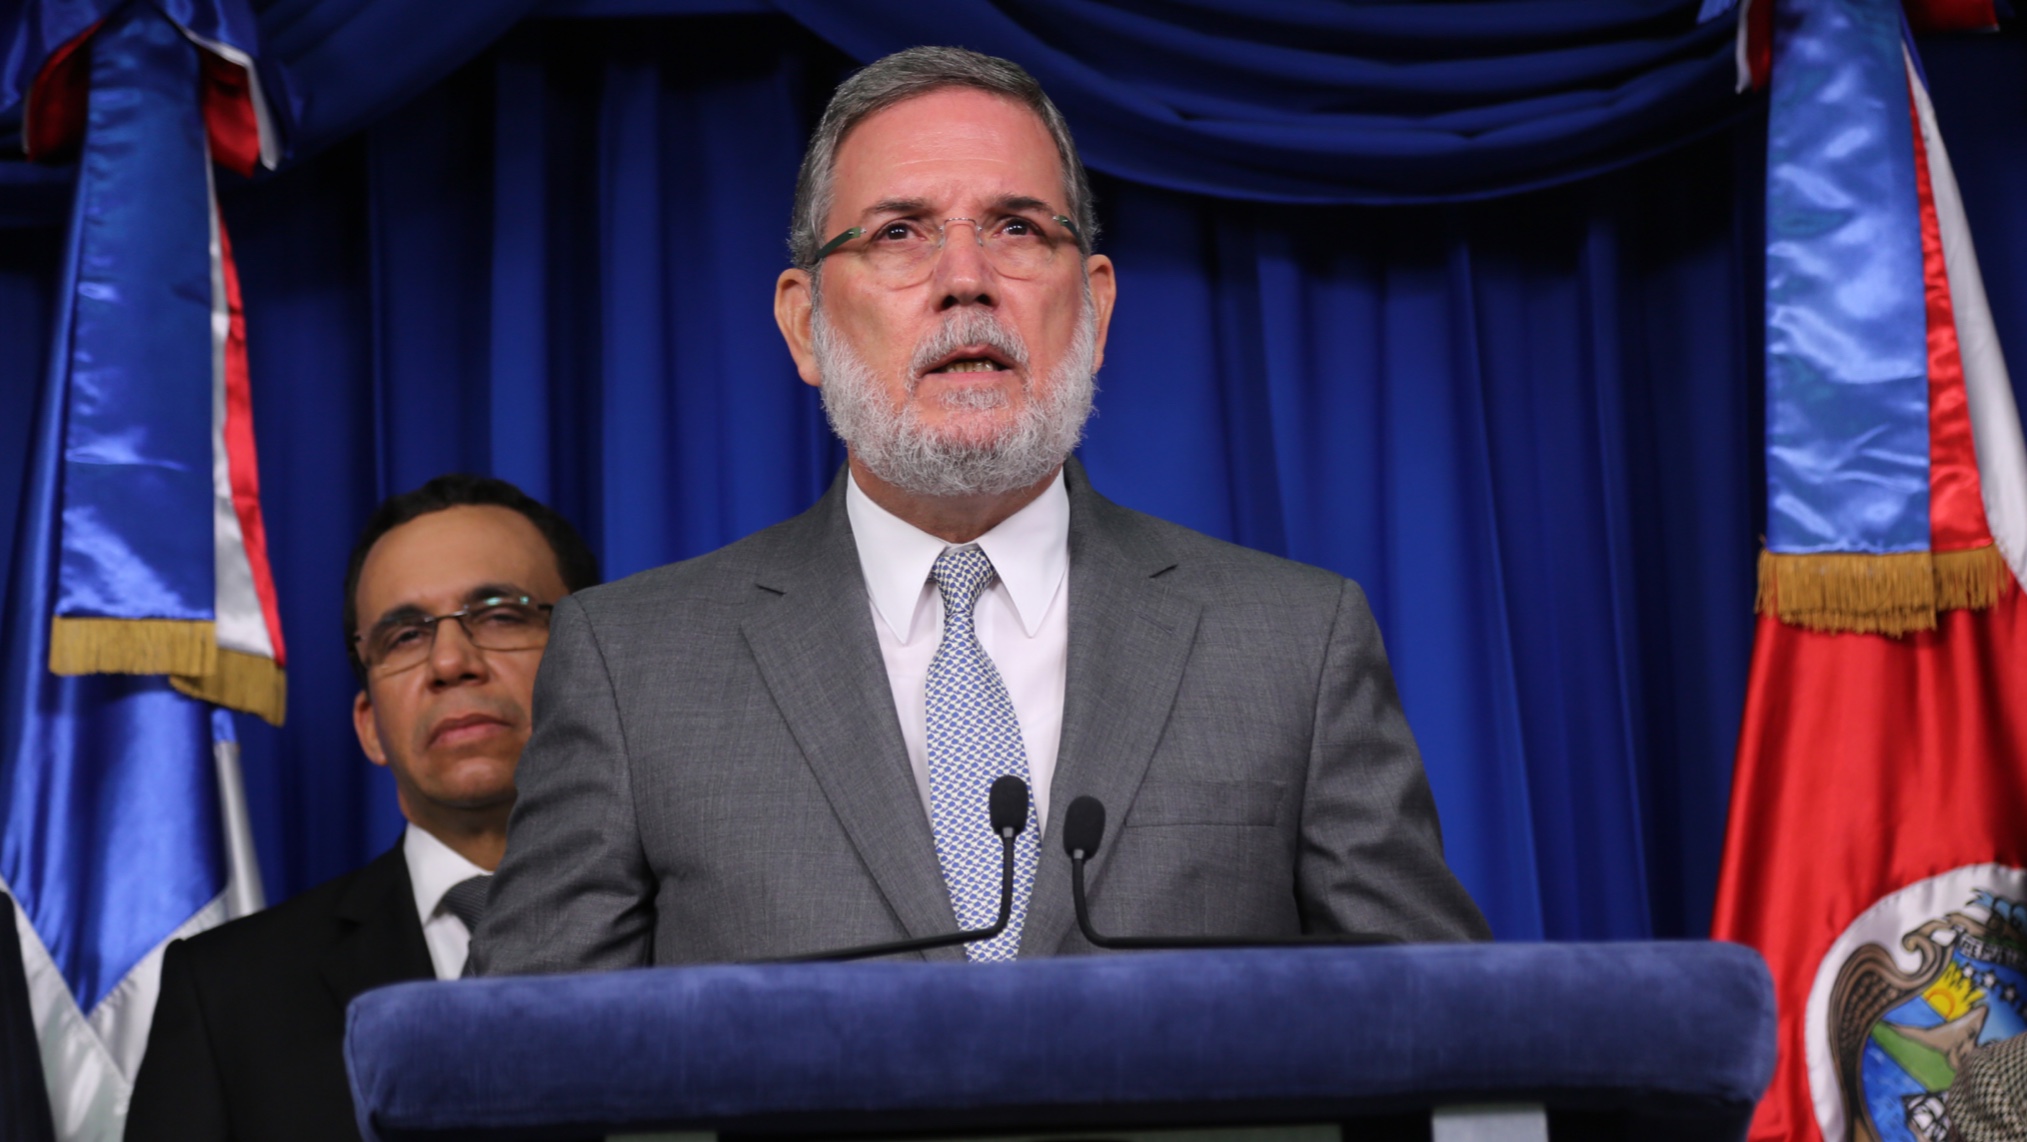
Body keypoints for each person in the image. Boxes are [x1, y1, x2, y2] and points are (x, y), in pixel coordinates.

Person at [473, 46, 1486, 975]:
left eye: (1016, 229)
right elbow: (506, 1063)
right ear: (804, 324)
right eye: (899, 233)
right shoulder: (632, 668)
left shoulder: (1293, 645)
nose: (966, 281)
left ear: (1094, 309)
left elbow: (1452, 1037)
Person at [125, 475, 598, 1142]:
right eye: (404, 636)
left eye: (500, 615)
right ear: (370, 725)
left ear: (595, 672)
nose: (450, 661)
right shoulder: (226, 993)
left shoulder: (710, 931)